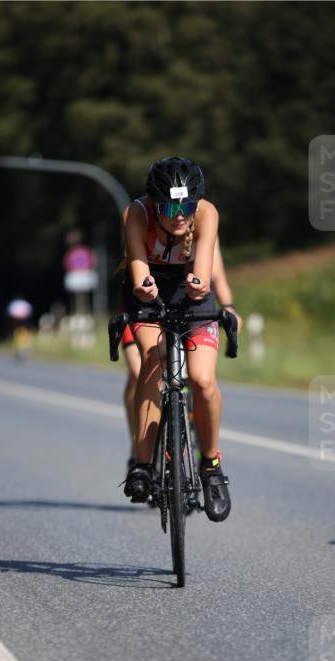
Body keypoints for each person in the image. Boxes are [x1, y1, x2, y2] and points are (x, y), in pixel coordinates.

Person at [120, 156, 233, 522]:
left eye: (186, 205)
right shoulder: (136, 214)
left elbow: (203, 273)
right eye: (170, 207)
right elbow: (138, 272)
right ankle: (142, 464)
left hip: (190, 290)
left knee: (201, 379)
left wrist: (200, 287)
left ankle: (211, 467)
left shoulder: (206, 213)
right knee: (152, 360)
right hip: (148, 291)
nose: (179, 214)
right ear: (154, 202)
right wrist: (144, 288)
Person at [120, 237, 242, 473]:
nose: (179, 214)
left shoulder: (201, 226)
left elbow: (217, 276)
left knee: (197, 375)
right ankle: (139, 448)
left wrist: (229, 307)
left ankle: (192, 433)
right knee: (139, 371)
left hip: (189, 306)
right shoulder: (148, 221)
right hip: (145, 303)